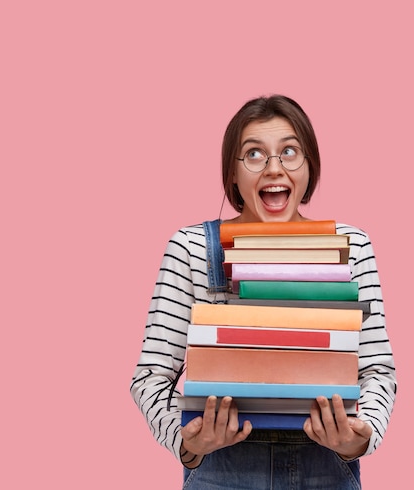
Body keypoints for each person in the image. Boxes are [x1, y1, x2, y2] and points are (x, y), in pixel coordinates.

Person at [130, 94, 397, 489]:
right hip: (220, 472)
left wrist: (360, 437)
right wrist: (189, 444)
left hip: (327, 470)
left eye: (290, 152)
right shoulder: (191, 249)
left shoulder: (351, 245)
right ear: (233, 175)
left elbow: (377, 370)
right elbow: (150, 377)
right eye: (254, 155)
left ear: (309, 167)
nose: (275, 168)